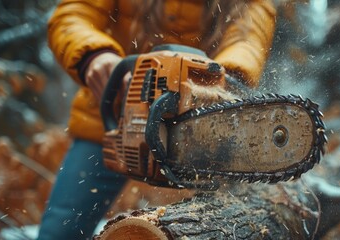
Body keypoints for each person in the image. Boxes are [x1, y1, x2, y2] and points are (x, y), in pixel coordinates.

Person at [37, 0, 276, 239]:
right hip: (109, 123)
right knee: (62, 228)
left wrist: (218, 83)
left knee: (216, 226)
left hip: (198, 137)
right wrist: (95, 55)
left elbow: (247, 41)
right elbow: (73, 14)